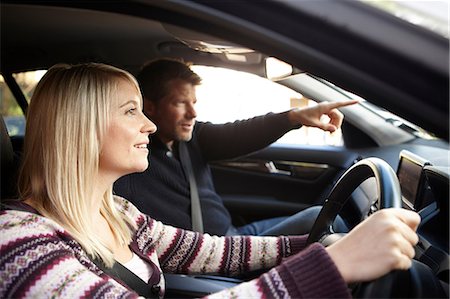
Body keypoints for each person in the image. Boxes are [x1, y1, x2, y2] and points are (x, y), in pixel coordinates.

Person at [0, 62, 420, 299]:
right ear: (82, 128)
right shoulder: (18, 240)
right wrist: (332, 265)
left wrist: (317, 243)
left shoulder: (117, 213)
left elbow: (214, 252)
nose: (147, 124)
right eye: (131, 111)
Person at [114, 58, 357, 236]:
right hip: (213, 253)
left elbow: (240, 133)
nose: (193, 113)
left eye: (194, 102)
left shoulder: (190, 139)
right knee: (323, 223)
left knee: (327, 221)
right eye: (180, 103)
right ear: (150, 107)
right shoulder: (132, 158)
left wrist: (294, 117)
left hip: (234, 234)